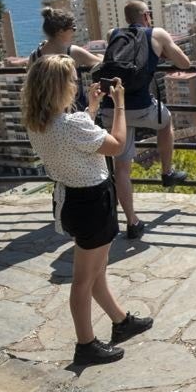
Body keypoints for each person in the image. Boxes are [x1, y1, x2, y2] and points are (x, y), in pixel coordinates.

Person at [22, 56, 153, 365]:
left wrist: (91, 110)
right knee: (84, 279)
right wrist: (119, 104)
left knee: (97, 270)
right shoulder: (72, 125)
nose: (74, 86)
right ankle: (86, 344)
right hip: (93, 203)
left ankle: (120, 321)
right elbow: (117, 144)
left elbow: (76, 141)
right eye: (70, 81)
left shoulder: (38, 123)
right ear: (57, 88)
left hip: (70, 199)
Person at [99, 0, 193, 240]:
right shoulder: (157, 33)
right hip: (140, 105)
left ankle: (132, 222)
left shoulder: (113, 34)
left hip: (113, 106)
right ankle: (167, 171)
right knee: (166, 121)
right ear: (147, 16)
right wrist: (158, 52)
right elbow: (184, 63)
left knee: (121, 167)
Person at [30, 8, 101, 110]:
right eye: (73, 28)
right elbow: (101, 63)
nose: (74, 32)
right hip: (72, 110)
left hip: (45, 112)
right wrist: (100, 55)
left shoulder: (34, 56)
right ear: (60, 31)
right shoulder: (73, 52)